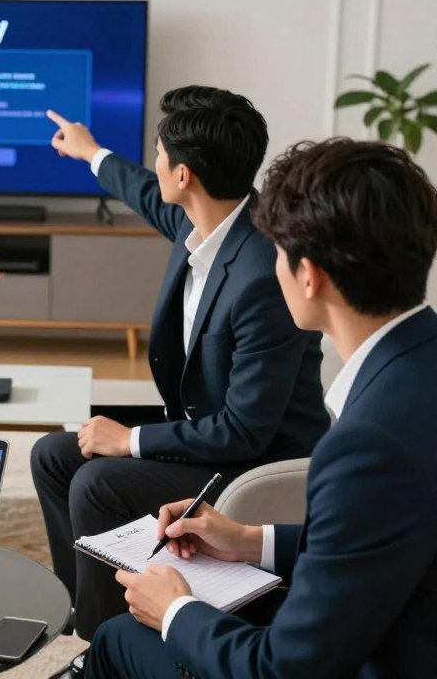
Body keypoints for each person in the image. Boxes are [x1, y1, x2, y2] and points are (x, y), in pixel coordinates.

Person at [87, 138, 437, 678]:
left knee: (117, 639)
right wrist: (249, 541)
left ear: (309, 275)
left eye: (275, 251)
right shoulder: (418, 367)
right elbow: (384, 536)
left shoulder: (367, 445)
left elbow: (283, 669)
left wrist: (175, 611)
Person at [32, 86, 329, 637]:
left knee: (98, 482)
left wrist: (131, 441)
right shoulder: (210, 221)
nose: (156, 164)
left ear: (186, 175)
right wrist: (90, 151)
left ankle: (108, 646)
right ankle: (87, 610)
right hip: (209, 430)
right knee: (54, 454)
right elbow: (147, 192)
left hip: (258, 459)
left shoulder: (264, 274)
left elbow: (245, 431)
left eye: (161, 153)